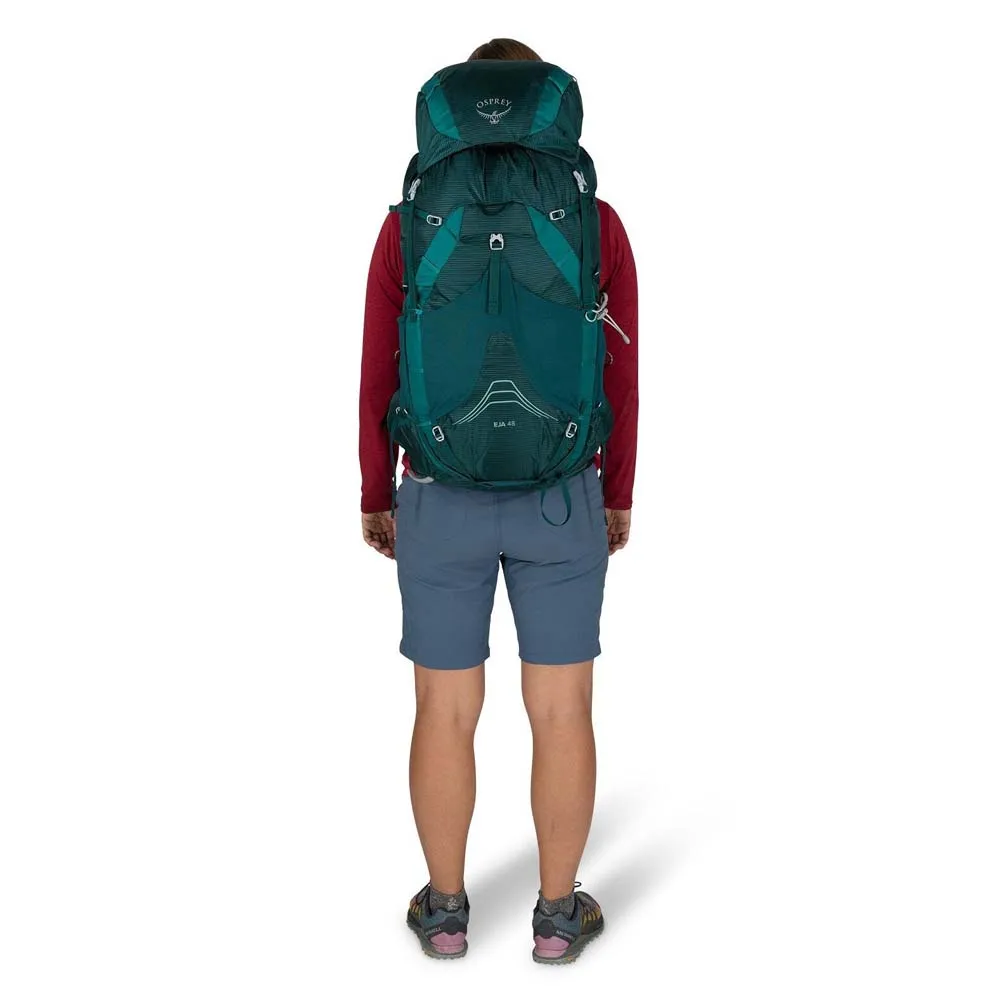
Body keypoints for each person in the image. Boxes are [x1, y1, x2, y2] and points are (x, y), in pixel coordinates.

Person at [358, 38, 638, 964]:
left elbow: (377, 366)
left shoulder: (410, 222)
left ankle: (444, 913)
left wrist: (376, 488)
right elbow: (622, 367)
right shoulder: (595, 222)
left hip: (437, 496)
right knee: (561, 711)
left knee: (444, 711)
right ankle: (557, 919)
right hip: (563, 495)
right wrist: (617, 492)